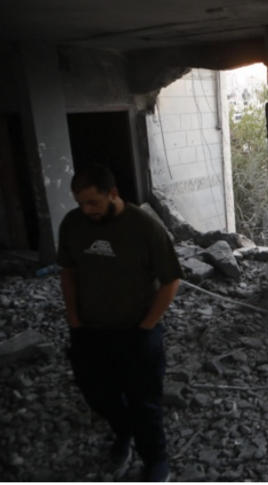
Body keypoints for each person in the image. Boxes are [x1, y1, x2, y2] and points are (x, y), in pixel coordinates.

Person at [57, 163, 183, 482]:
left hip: (136, 330)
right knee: (98, 396)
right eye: (80, 203)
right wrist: (74, 322)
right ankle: (123, 432)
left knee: (145, 403)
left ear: (113, 193)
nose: (86, 210)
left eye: (93, 202)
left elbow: (171, 281)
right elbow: (69, 273)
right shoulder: (73, 224)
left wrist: (146, 328)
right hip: (89, 330)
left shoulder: (144, 227)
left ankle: (155, 459)